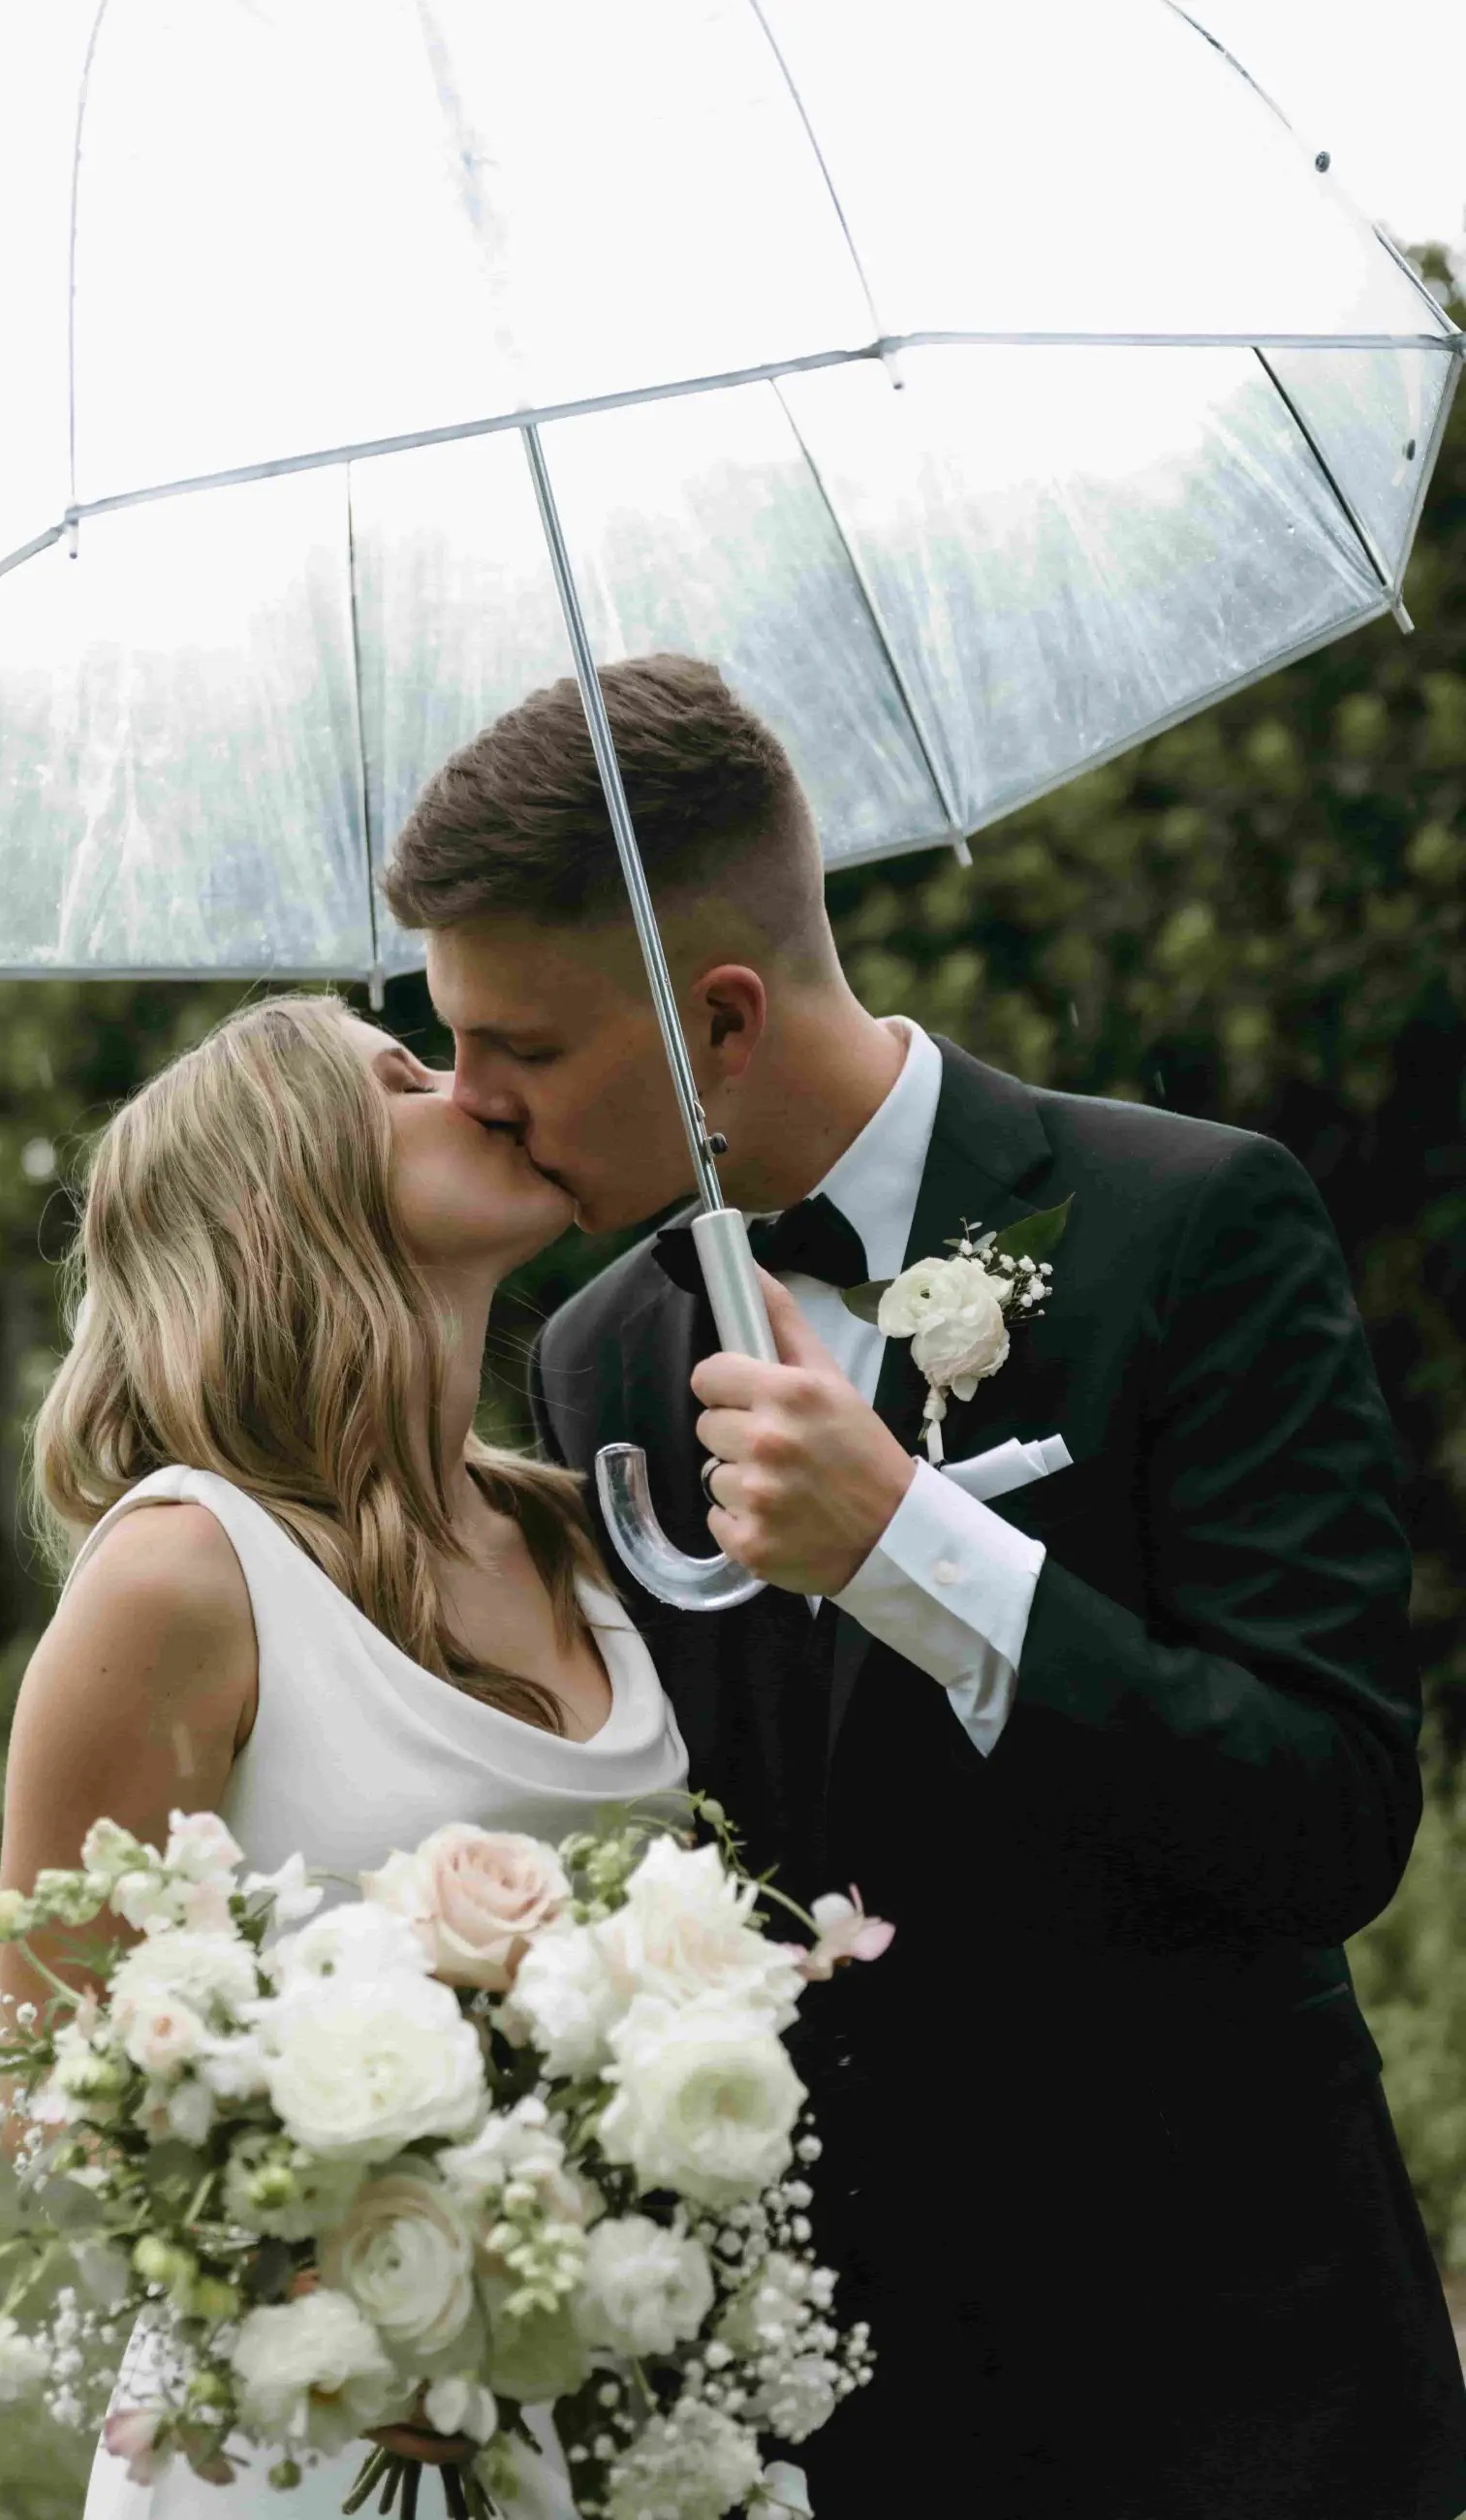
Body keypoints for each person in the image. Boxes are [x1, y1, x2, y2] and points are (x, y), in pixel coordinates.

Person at [385, 651, 1466, 2520]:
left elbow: (1332, 1814)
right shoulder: (599, 1357)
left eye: (525, 1050)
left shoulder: (1191, 1223)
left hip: (1223, 2372)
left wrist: (912, 1550)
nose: (474, 1103)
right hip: (837, 2409)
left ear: (720, 1018)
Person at [0, 993, 687, 2519]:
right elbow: (45, 2078)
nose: (479, 1088)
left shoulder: (579, 1534)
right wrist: (350, 2287)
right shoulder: (185, 1573)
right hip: (310, 2434)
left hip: (610, 2416)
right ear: (283, 1184)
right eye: (406, 1077)